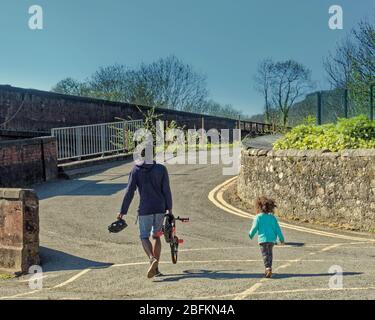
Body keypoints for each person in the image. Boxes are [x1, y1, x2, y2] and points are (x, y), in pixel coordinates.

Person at [117, 158, 172, 279]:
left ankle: (152, 259)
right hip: (160, 208)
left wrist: (122, 211)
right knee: (156, 236)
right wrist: (170, 209)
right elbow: (166, 189)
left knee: (144, 236)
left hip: (145, 209)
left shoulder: (136, 170)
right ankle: (156, 269)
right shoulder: (161, 169)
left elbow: (129, 192)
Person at [248, 196, 285, 278]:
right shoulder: (272, 218)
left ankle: (267, 268)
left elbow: (254, 228)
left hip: (262, 240)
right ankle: (269, 268)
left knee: (265, 254)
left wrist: (250, 234)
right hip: (271, 240)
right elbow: (277, 229)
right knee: (270, 254)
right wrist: (281, 239)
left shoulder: (258, 217)